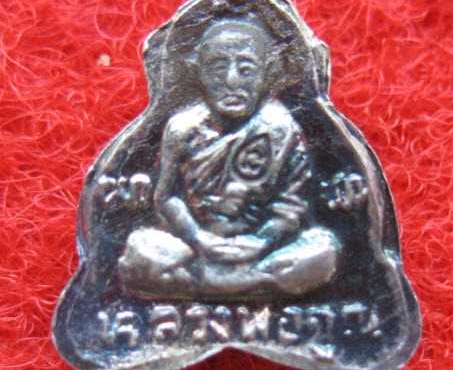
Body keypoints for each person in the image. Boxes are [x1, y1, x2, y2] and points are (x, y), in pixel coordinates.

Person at [118, 19, 340, 298]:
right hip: (196, 248)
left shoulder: (281, 128)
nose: (232, 81)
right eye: (218, 68)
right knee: (140, 248)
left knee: (323, 250)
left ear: (268, 73)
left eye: (246, 69)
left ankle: (210, 284)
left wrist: (261, 241)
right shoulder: (181, 128)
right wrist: (199, 238)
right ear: (198, 72)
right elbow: (167, 198)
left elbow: (292, 205)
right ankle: (252, 284)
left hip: (261, 250)